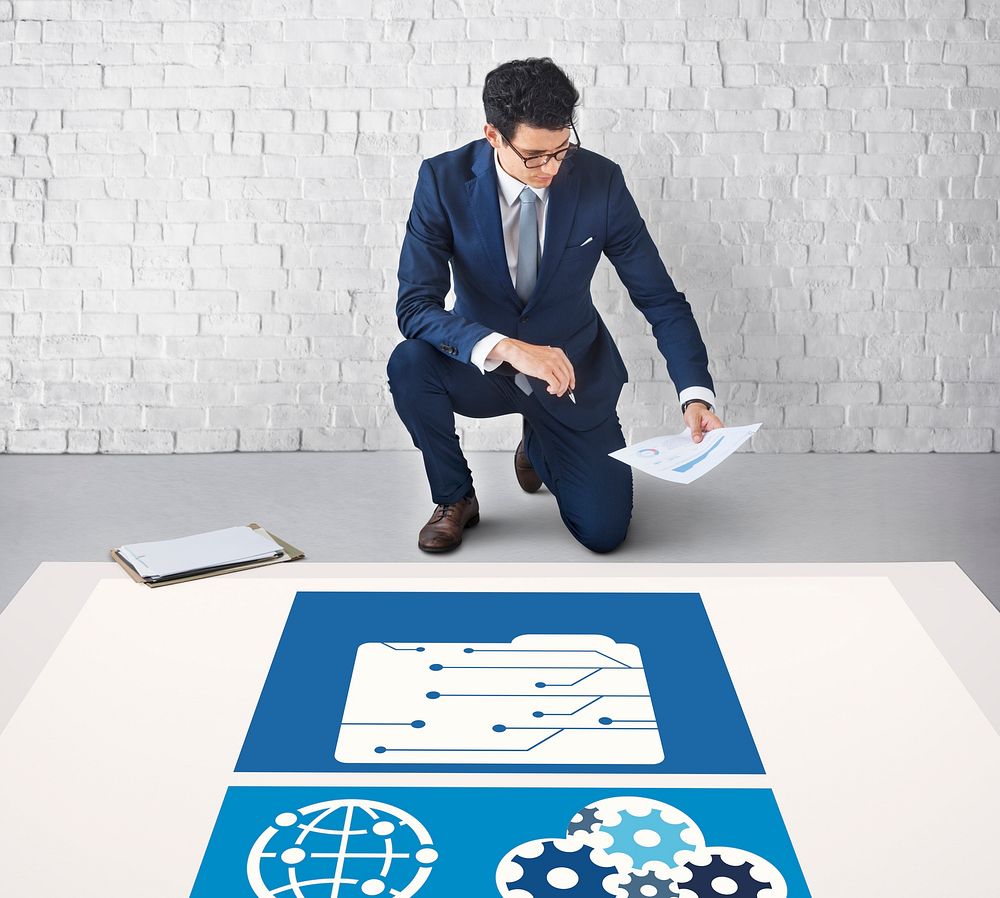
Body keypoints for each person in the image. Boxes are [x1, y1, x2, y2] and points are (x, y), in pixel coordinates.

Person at [387, 57, 723, 554]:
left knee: (605, 533)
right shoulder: (441, 180)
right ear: (494, 136)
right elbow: (415, 306)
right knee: (409, 363)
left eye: (562, 150)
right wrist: (510, 348)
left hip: (571, 376)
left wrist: (695, 393)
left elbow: (660, 299)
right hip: (485, 368)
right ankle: (455, 496)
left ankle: (540, 443)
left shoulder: (601, 182)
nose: (551, 168)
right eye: (535, 156)